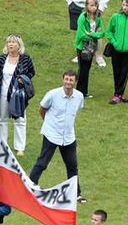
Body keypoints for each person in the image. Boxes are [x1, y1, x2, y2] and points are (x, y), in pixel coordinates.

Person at [28, 70, 86, 199]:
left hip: (69, 137)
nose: (68, 82)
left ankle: (76, 194)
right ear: (62, 80)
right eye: (66, 79)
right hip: (52, 134)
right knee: (42, 163)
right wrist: (49, 123)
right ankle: (30, 187)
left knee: (72, 166)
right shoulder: (53, 94)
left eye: (71, 80)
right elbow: (41, 109)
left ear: (75, 82)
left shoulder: (79, 96)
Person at [0, 33, 36, 158]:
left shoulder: (25, 59)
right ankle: (1, 146)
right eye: (9, 42)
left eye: (13, 42)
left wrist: (24, 78)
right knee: (2, 119)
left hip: (17, 94)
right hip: (2, 93)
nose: (10, 44)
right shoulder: (1, 59)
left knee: (20, 120)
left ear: (19, 45)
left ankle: (20, 148)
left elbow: (32, 72)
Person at [73, 0, 103, 99]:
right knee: (83, 69)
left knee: (87, 68)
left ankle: (83, 91)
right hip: (82, 47)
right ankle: (79, 92)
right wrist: (93, 35)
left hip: (91, 47)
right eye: (91, 5)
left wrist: (91, 34)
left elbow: (101, 33)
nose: (94, 7)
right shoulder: (82, 17)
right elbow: (81, 34)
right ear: (86, 6)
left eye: (95, 5)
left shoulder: (98, 17)